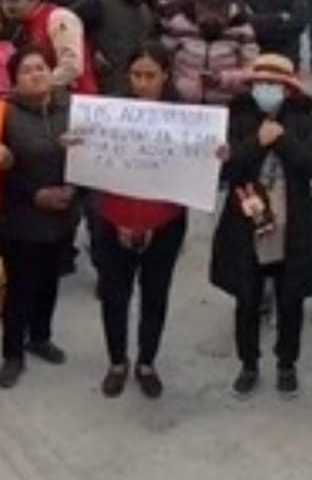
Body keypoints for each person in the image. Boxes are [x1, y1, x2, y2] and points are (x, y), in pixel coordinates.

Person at [210, 54, 312, 399]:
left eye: (275, 84)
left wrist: (283, 141)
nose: (267, 90)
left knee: (291, 301)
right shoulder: (238, 118)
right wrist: (256, 143)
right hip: (245, 226)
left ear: (289, 90)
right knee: (246, 300)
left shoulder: (303, 121)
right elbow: (224, 169)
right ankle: (248, 364)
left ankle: (286, 363)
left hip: (293, 228)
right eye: (261, 83)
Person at [89, 43, 201, 400]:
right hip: (112, 219)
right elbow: (97, 172)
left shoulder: (184, 119)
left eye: (150, 75)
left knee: (155, 293)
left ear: (165, 75)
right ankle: (117, 362)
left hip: (165, 222)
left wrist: (215, 155)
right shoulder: (109, 115)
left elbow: (190, 176)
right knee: (114, 294)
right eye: (136, 75)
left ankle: (147, 362)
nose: (141, 82)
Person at [0, 46, 76, 389]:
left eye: (41, 67)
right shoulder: (3, 115)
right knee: (19, 287)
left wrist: (74, 191)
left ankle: (40, 336)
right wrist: (33, 194)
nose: (36, 74)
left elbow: (93, 157)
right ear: (14, 80)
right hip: (19, 215)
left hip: (62, 213)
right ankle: (13, 353)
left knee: (50, 280)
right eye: (27, 70)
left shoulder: (70, 108)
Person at [71, 0, 164, 96]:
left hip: (134, 88)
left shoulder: (146, 12)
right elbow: (68, 26)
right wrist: (91, 51)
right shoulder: (98, 0)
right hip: (98, 85)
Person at [0, 0, 95, 93]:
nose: (8, 5)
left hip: (75, 99)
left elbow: (71, 66)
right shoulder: (21, 27)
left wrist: (37, 87)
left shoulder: (59, 17)